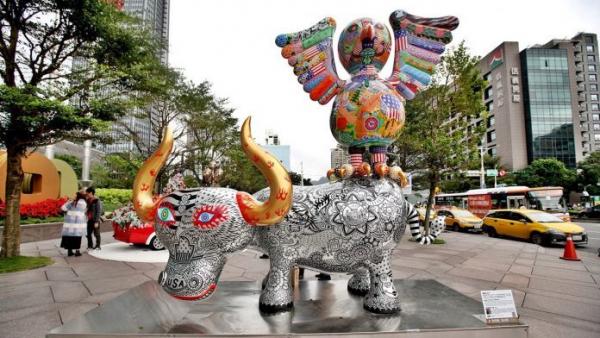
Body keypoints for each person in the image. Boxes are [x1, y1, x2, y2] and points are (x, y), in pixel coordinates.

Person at [60, 192, 87, 257]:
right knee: (78, 237)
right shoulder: (84, 203)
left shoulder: (71, 203)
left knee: (70, 237)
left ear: (78, 196)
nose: (74, 196)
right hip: (79, 224)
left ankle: (70, 251)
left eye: (75, 195)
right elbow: (85, 210)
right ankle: (77, 251)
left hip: (70, 224)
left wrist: (69, 201)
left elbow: (63, 208)